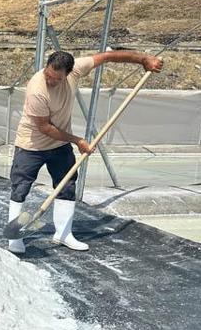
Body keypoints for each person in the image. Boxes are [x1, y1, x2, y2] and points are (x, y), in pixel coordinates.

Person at [8, 50, 162, 254]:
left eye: (57, 79)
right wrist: (78, 140)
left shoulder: (76, 70)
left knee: (67, 187)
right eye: (49, 75)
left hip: (59, 145)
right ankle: (15, 237)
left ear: (69, 74)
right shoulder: (37, 89)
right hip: (31, 145)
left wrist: (143, 59)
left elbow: (107, 57)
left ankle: (63, 234)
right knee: (20, 187)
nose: (51, 81)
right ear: (46, 67)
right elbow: (44, 128)